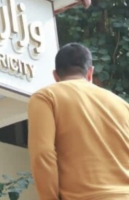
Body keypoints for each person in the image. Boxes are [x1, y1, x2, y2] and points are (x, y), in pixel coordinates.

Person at [28, 43, 129, 200]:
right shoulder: (122, 105)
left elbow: (43, 153)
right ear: (90, 73)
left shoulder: (46, 97)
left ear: (55, 75)